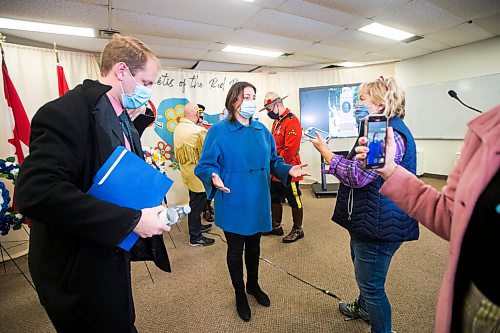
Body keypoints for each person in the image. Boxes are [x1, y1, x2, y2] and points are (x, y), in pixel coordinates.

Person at [14, 35, 171, 332]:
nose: (148, 91)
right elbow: (36, 193)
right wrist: (133, 219)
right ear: (121, 70)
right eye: (147, 83)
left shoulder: (119, 115)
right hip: (76, 265)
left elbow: (106, 168)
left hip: (107, 249)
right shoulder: (65, 112)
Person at [355, 106, 500, 333]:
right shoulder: (486, 128)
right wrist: (389, 170)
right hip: (475, 301)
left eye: (363, 99)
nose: (358, 104)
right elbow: (453, 217)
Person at [309, 76, 418, 333]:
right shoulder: (380, 128)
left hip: (380, 224)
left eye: (362, 98)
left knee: (372, 286)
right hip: (371, 218)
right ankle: (364, 307)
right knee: (364, 273)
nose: (358, 103)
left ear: (379, 103)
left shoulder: (384, 133)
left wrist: (326, 153)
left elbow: (357, 177)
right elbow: (361, 168)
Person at [194, 82, 308, 322]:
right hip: (233, 197)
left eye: (253, 96)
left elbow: (275, 161)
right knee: (235, 250)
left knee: (254, 247)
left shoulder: (262, 130)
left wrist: (289, 170)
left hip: (257, 198)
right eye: (247, 96)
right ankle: (239, 294)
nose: (251, 101)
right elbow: (204, 165)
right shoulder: (218, 131)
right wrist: (212, 176)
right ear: (234, 100)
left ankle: (252, 286)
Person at [261, 92, 305, 243]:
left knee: (294, 198)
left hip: (289, 168)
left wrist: (277, 165)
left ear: (277, 105)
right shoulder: (277, 121)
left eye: (268, 109)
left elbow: (290, 149)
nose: (268, 113)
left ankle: (298, 229)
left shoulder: (292, 121)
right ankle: (276, 225)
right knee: (274, 197)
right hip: (276, 169)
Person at [173, 102, 215, 247]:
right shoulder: (198, 131)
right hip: (198, 175)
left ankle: (197, 227)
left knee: (194, 202)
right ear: (197, 114)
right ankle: (195, 237)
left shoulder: (179, 127)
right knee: (197, 205)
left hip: (187, 172)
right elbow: (207, 153)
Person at [196, 103, 215, 223]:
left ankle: (207, 206)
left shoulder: (203, 127)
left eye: (202, 114)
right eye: (199, 113)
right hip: (198, 163)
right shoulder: (191, 127)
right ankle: (205, 210)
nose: (201, 117)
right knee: (201, 190)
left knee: (208, 187)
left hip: (207, 161)